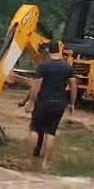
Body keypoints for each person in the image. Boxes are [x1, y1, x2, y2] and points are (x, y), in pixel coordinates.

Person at [25, 39, 78, 170]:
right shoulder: (67, 67)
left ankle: (30, 160)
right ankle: (45, 163)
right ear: (59, 50)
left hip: (43, 102)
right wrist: (72, 103)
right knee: (51, 132)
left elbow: (36, 86)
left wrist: (31, 101)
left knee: (35, 129)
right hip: (59, 104)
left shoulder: (44, 66)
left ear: (48, 50)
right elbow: (74, 86)